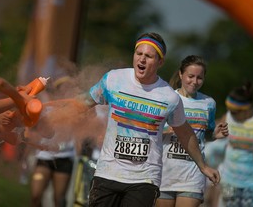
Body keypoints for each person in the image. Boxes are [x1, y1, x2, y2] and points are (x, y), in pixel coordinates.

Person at [38, 32, 220, 207]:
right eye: (138, 53)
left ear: (160, 61)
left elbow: (185, 133)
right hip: (108, 173)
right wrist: (48, 118)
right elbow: (82, 103)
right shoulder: (114, 80)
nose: (141, 59)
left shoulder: (169, 97)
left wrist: (203, 166)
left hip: (144, 179)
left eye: (148, 56)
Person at [156, 55, 228, 207]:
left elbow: (204, 134)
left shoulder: (208, 103)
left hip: (192, 174)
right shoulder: (167, 98)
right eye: (190, 76)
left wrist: (214, 134)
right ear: (181, 74)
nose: (194, 82)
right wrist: (166, 130)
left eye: (199, 78)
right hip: (165, 173)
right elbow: (150, 129)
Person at [28, 76, 77, 207]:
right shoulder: (46, 108)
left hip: (64, 158)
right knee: (35, 195)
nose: (65, 91)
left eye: (69, 88)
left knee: (59, 199)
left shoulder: (76, 111)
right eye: (62, 88)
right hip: (44, 157)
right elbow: (32, 129)